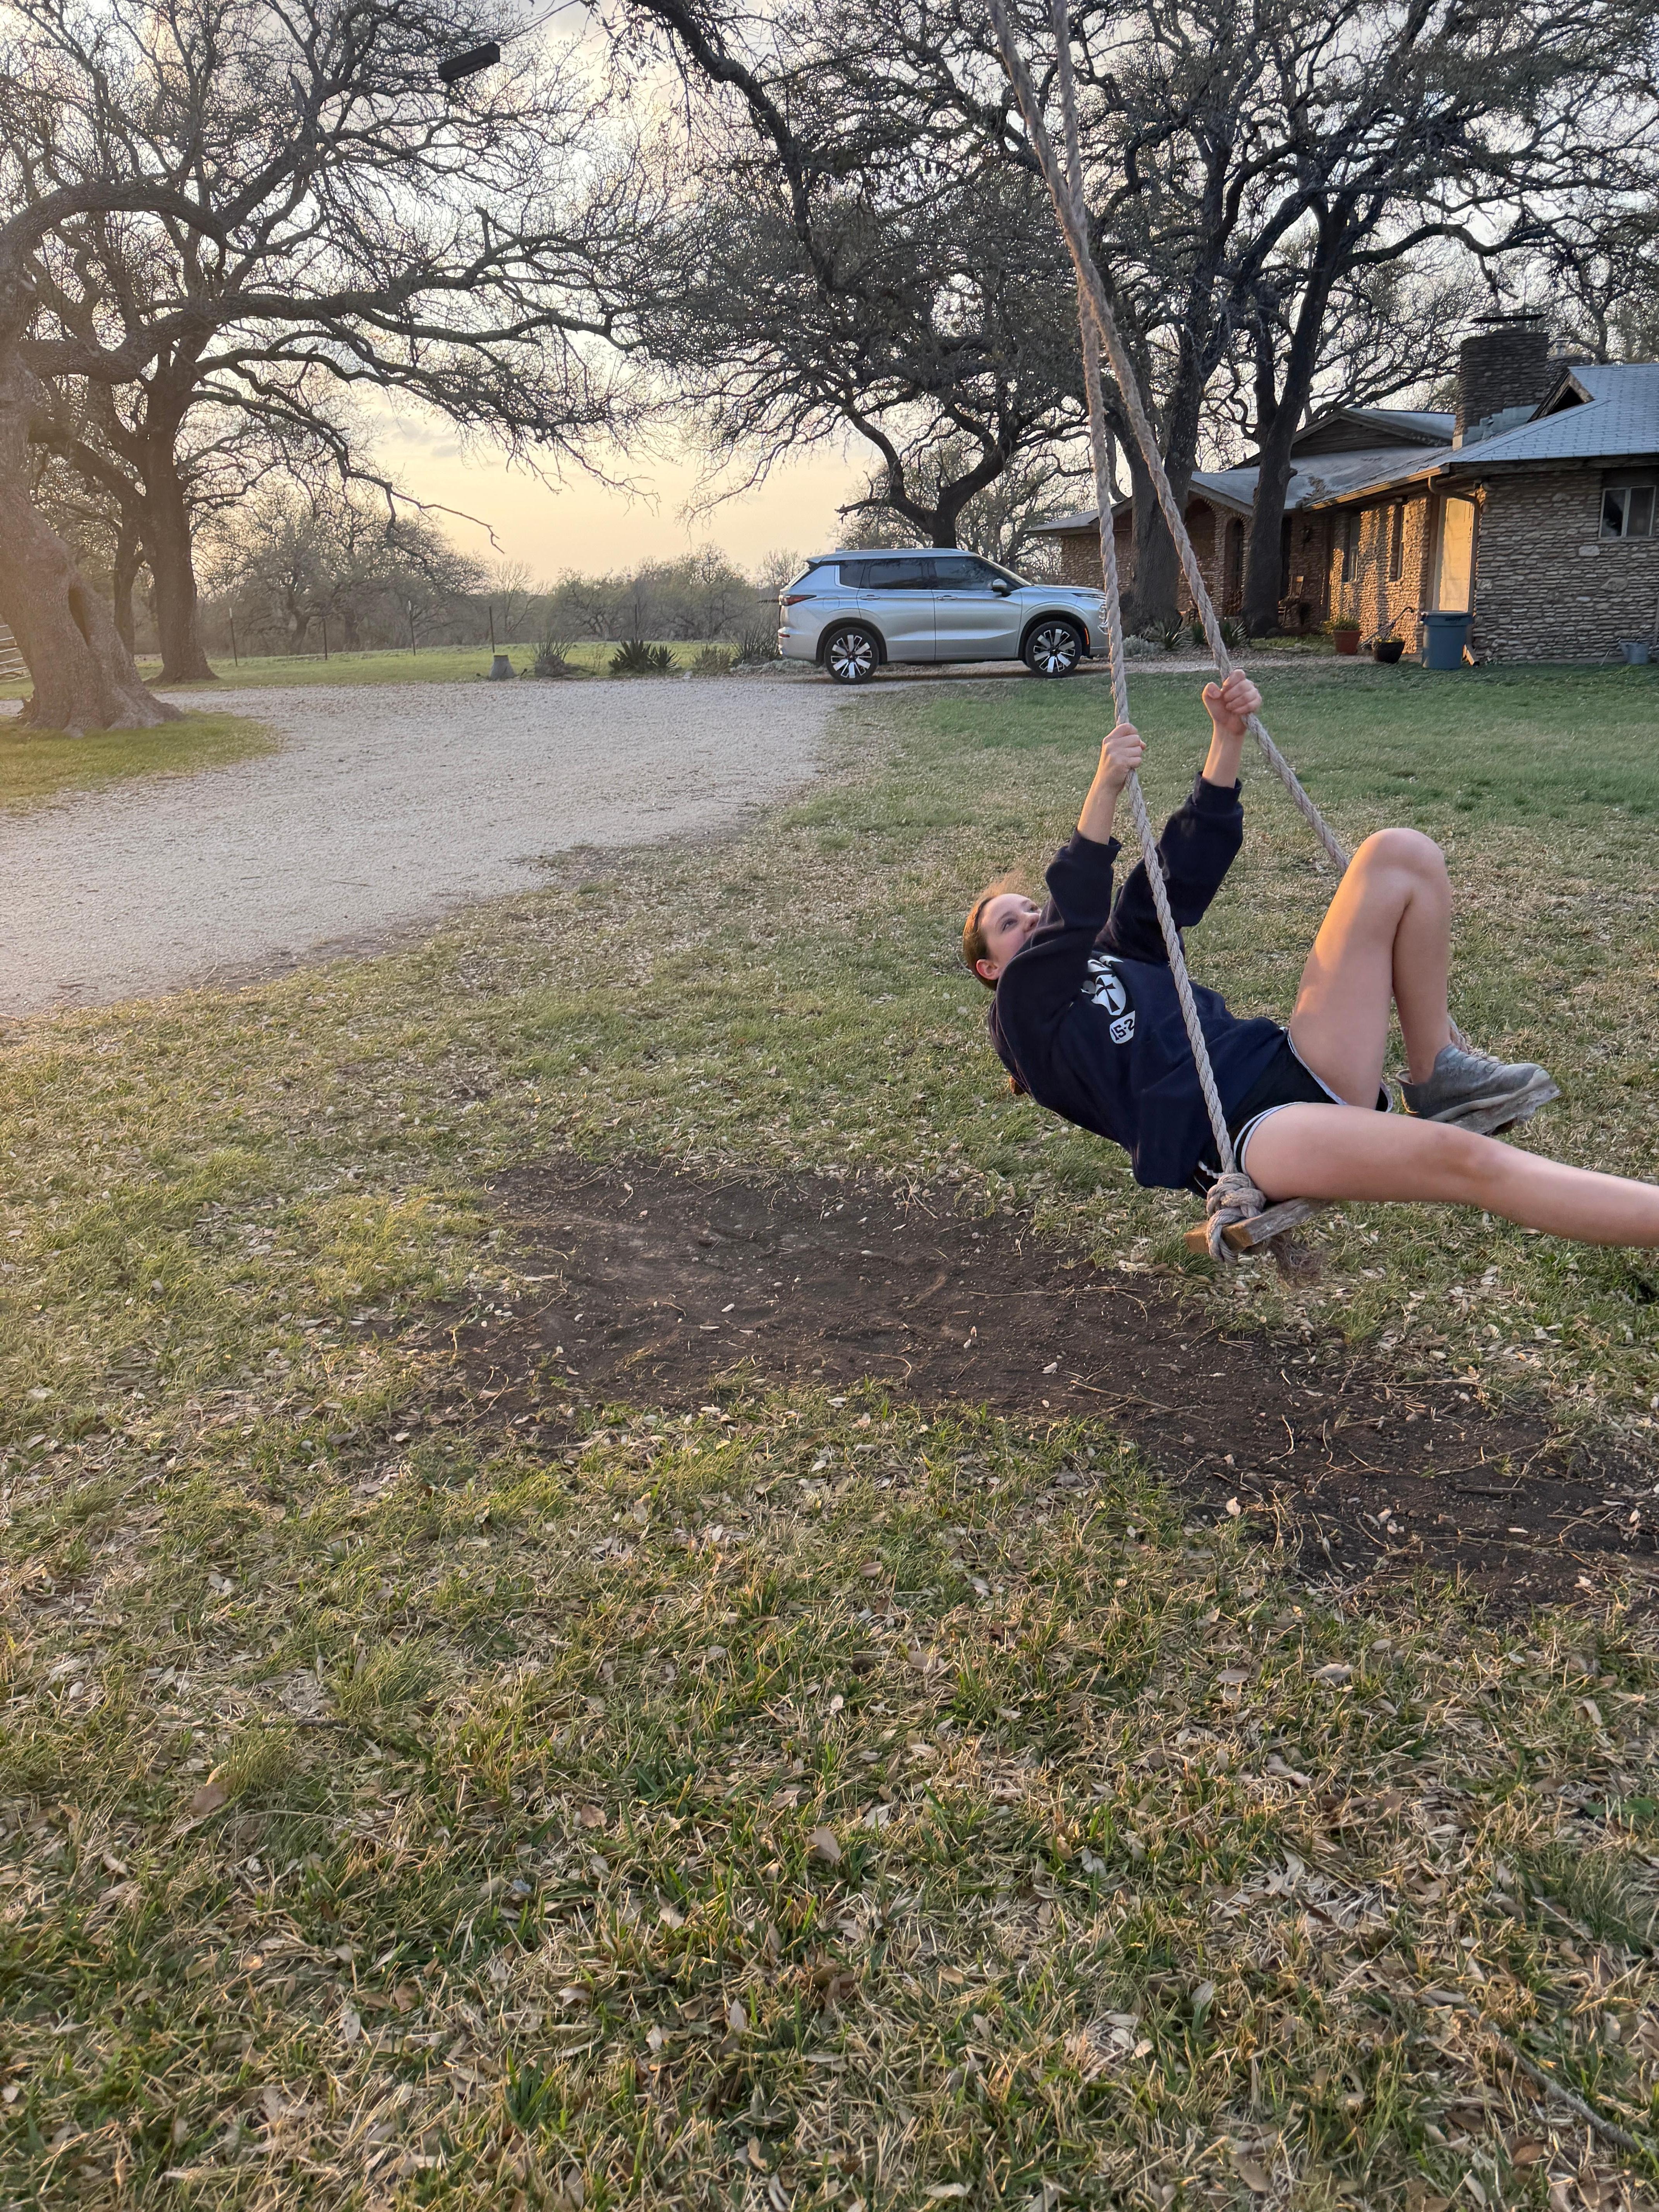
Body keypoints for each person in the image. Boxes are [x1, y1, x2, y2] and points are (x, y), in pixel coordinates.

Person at [962, 670, 1659, 1246]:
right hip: (1249, 1132)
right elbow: (1072, 914)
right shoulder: (1020, 1019)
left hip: (1293, 1062)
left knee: (1399, 854)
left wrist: (1227, 740)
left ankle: (1437, 1074)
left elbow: (1177, 875)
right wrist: (1105, 789)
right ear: (989, 969)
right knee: (1471, 1162)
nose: (1031, 919)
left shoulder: (1116, 956)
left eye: (1030, 908)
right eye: (1009, 924)